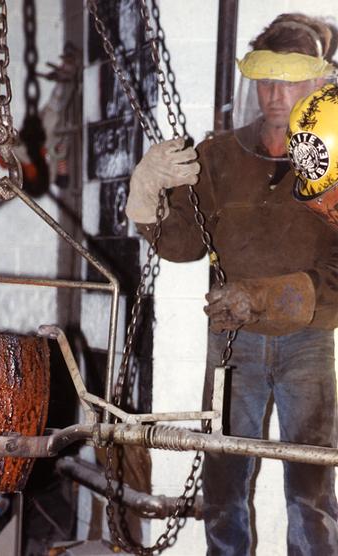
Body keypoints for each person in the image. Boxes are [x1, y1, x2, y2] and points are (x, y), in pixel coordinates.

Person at [125, 13, 338, 556]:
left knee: (310, 490)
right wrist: (146, 191)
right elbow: (182, 246)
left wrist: (262, 296)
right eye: (264, 78)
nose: (273, 92)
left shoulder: (333, 163)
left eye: (288, 78)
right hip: (231, 342)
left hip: (307, 340)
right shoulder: (220, 155)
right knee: (224, 483)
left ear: (319, 83)